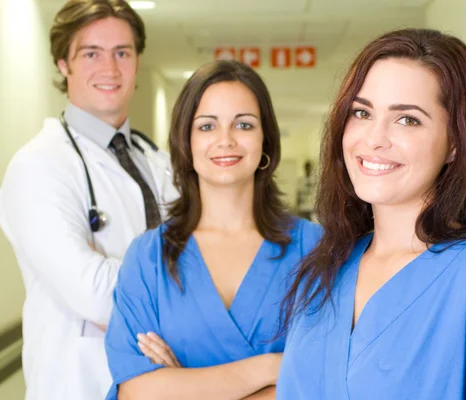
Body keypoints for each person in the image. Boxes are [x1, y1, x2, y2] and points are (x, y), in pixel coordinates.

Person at [277, 29, 466, 399]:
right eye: (362, 112)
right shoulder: (327, 267)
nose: (374, 138)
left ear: (454, 143)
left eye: (407, 119)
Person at [104, 60, 322, 400]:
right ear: (185, 142)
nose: (225, 140)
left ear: (265, 139)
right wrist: (270, 369)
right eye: (206, 127)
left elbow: (325, 380)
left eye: (244, 125)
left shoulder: (313, 249)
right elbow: (136, 391)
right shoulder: (148, 258)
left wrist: (184, 387)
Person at [0, 1, 178, 399]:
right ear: (64, 64)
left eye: (122, 53)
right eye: (91, 53)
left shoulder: (158, 162)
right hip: (81, 385)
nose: (110, 69)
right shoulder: (39, 166)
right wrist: (180, 284)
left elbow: (208, 260)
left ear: (137, 61)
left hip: (165, 383)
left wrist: (118, 269)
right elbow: (95, 296)